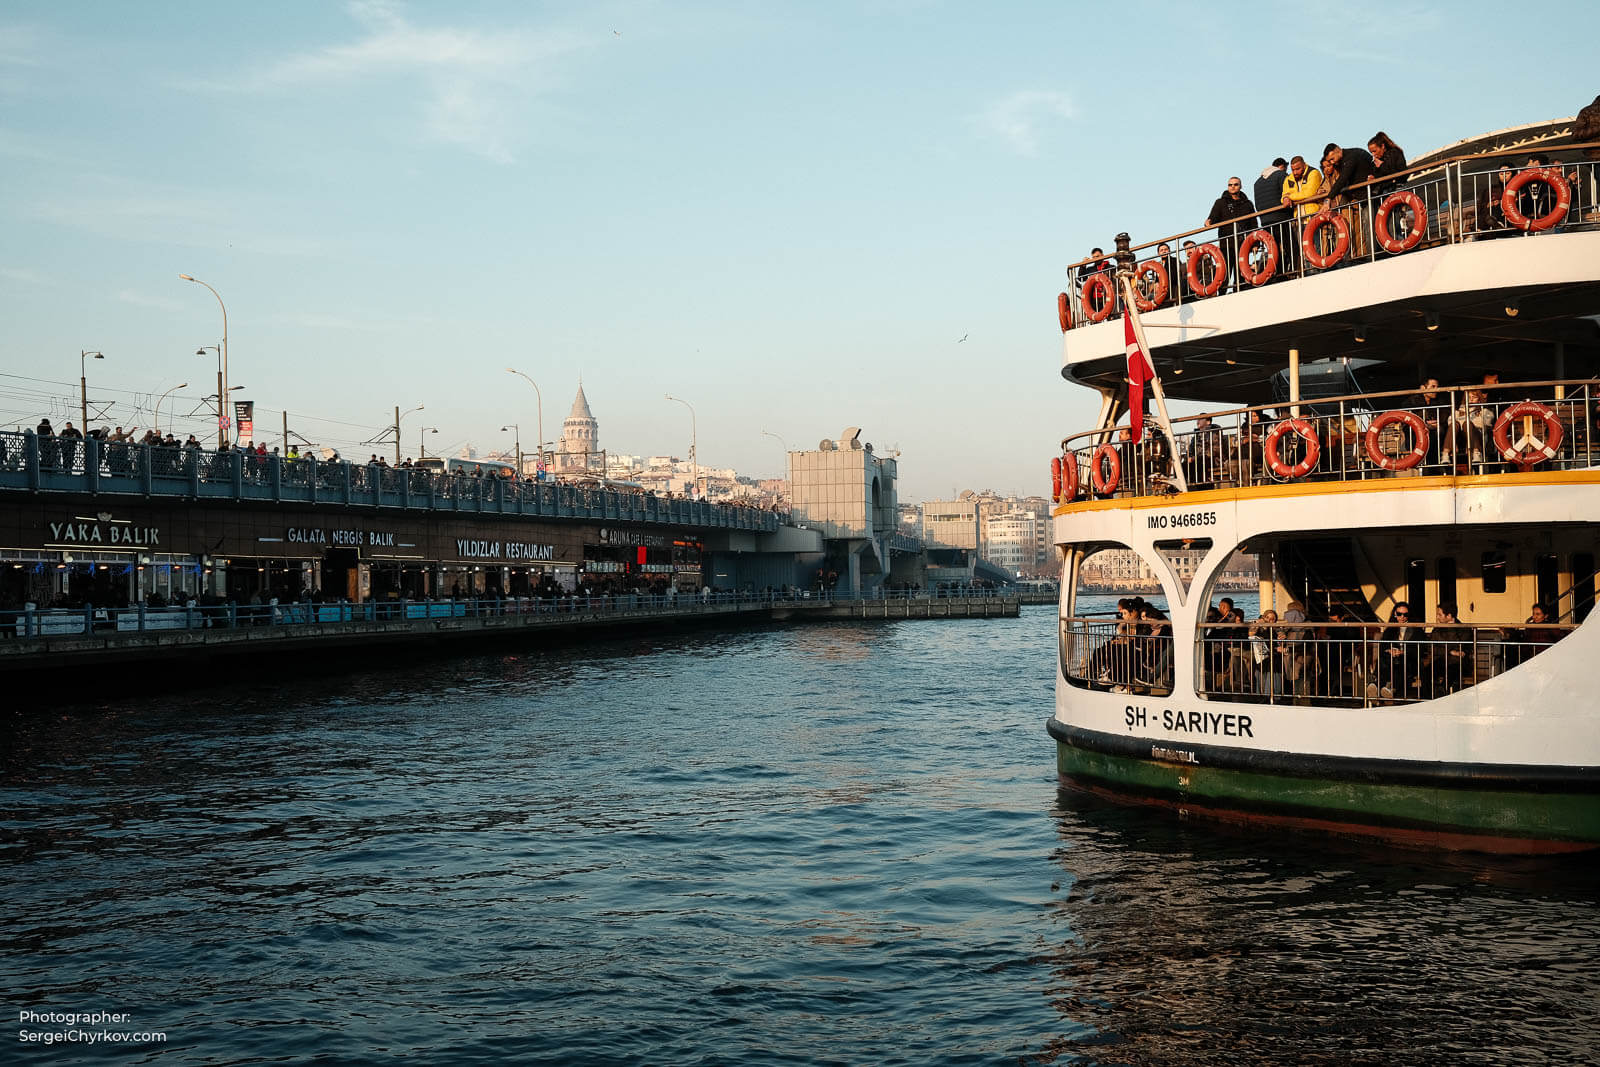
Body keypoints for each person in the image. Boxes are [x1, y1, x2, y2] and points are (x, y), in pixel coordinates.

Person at [1320, 143, 1377, 259]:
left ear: (1338, 151)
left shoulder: (1352, 156)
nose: (1331, 163)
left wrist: (1328, 198)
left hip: (1371, 195)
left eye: (1332, 159)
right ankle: (1372, 255)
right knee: (1367, 226)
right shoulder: (1342, 161)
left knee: (1370, 226)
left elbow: (1343, 179)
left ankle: (1374, 256)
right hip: (1362, 197)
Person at [1206, 177, 1256, 292]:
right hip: (1226, 243)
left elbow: (1253, 224)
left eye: (1235, 184)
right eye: (1230, 185)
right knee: (1225, 271)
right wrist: (1209, 221)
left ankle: (1239, 292)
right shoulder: (1220, 202)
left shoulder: (1248, 204)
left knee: (1241, 270)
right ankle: (1222, 294)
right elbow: (1213, 217)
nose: (1232, 187)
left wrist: (1255, 242)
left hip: (1243, 243)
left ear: (1240, 186)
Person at [1280, 155, 1323, 276]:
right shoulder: (1289, 179)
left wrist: (1290, 197)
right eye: (1293, 169)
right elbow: (1283, 194)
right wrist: (1285, 197)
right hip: (1299, 220)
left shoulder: (1313, 173)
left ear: (1304, 165)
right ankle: (1309, 272)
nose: (1295, 172)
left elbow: (1310, 192)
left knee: (1316, 247)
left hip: (1313, 216)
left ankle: (1318, 271)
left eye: (1298, 169)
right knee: (1305, 249)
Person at [1252, 157, 1292, 277]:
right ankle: (1294, 270)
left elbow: (1257, 204)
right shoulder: (1281, 175)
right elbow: (1286, 194)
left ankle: (1277, 273)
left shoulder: (1257, 182)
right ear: (1281, 166)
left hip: (1265, 221)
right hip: (1281, 217)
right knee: (1289, 245)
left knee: (1273, 249)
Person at [1375, 602, 1419, 702]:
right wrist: (1390, 650)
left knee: (1399, 665)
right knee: (1383, 659)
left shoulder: (1416, 629)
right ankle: (1381, 690)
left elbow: (1418, 648)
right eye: (1399, 614)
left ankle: (1381, 689)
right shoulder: (1390, 629)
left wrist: (1403, 652)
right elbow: (1383, 646)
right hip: (1391, 660)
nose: (1402, 617)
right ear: (1395, 614)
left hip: (1407, 660)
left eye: (1405, 614)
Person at [1427, 602, 1469, 697]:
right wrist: (1450, 651)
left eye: (1440, 614)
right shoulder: (1437, 629)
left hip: (1458, 663)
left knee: (1452, 672)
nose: (1437, 617)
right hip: (1441, 660)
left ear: (1449, 616)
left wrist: (1451, 628)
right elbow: (1431, 647)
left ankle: (1441, 693)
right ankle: (1426, 698)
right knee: (1426, 672)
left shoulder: (1464, 629)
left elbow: (1460, 648)